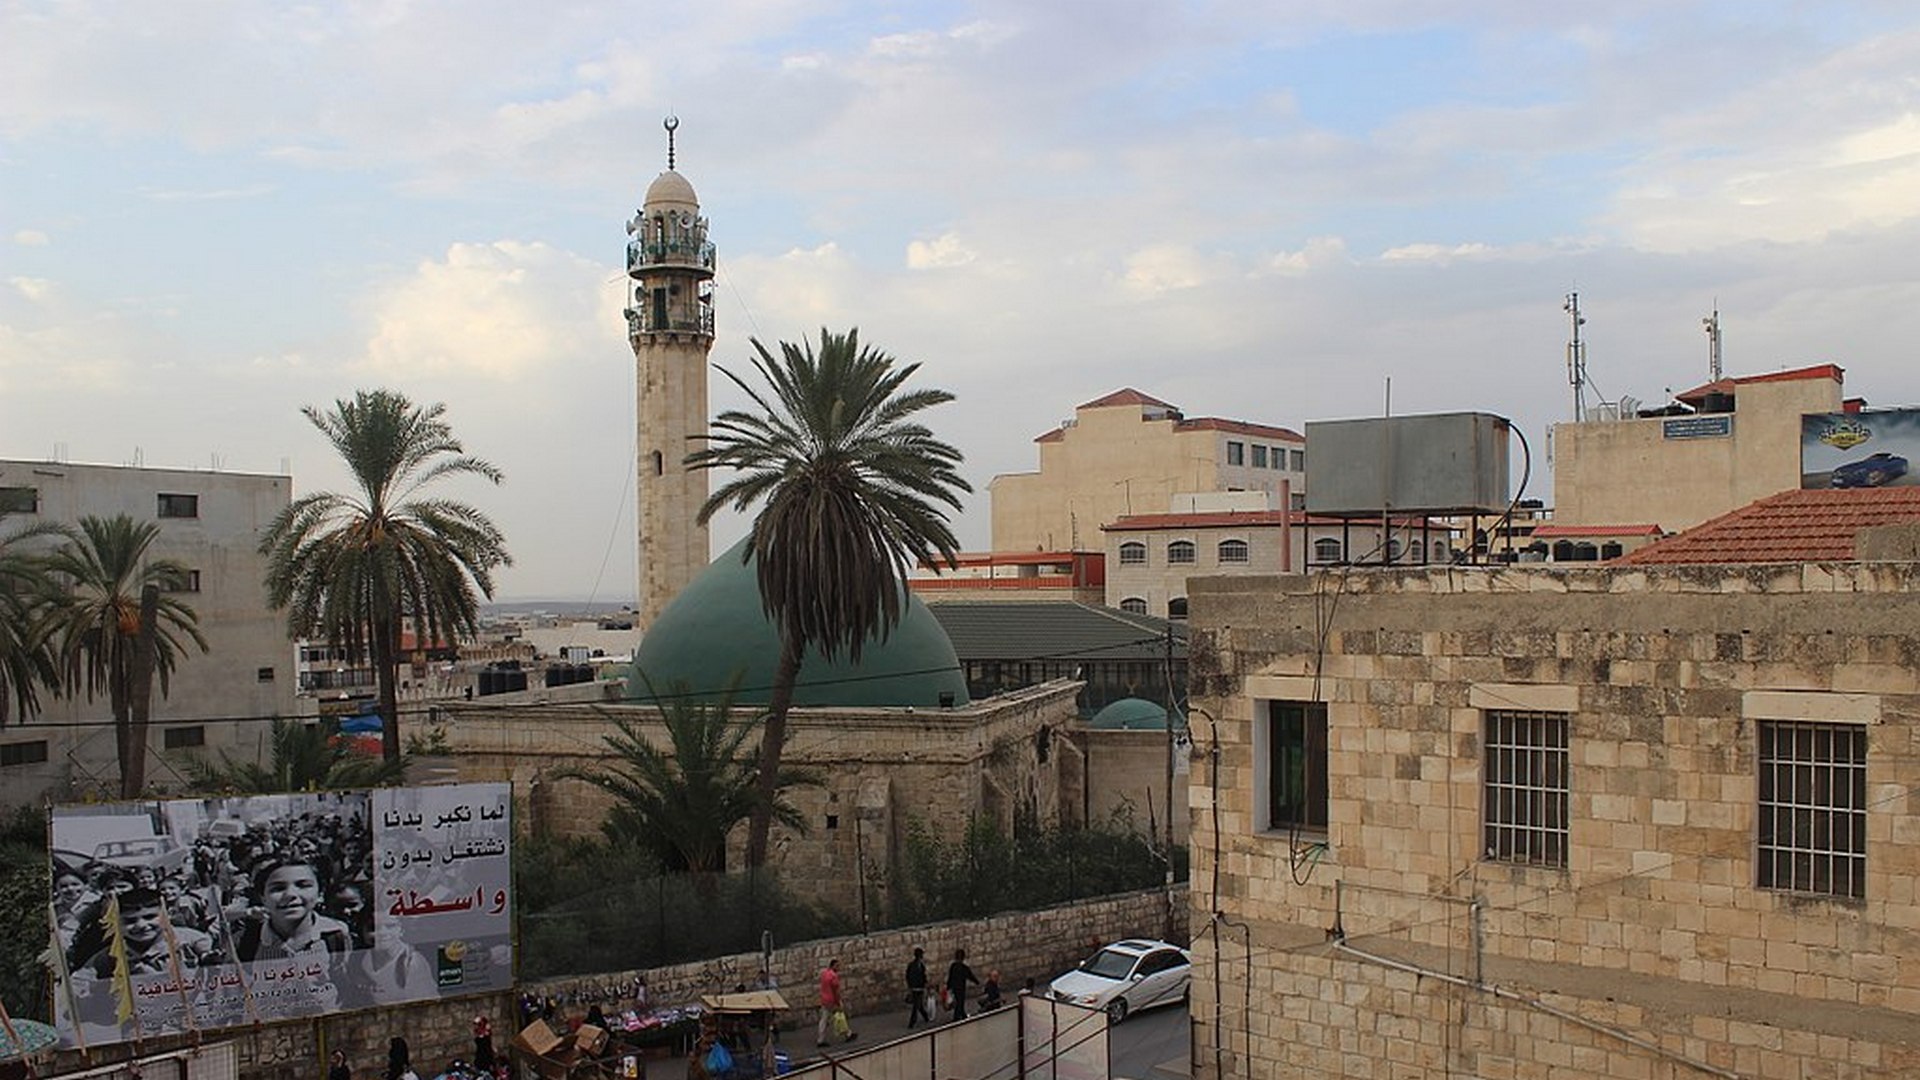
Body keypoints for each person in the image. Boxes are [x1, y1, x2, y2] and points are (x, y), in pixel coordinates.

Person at [233, 856, 351, 961]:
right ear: (263, 898)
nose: (291, 894)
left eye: (303, 885)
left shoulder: (336, 933)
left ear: (320, 894)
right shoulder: (245, 941)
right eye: (278, 888)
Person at [814, 957, 854, 1046]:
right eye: (837, 966)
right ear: (833, 966)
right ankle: (848, 1034)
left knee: (824, 1019)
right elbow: (836, 991)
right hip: (831, 1000)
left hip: (824, 999)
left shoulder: (824, 974)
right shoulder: (833, 976)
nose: (839, 968)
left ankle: (820, 1039)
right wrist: (838, 1002)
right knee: (840, 1017)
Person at [945, 948, 979, 1022]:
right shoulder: (964, 967)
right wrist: (977, 982)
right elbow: (970, 976)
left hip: (954, 987)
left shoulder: (953, 966)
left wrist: (948, 987)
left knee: (958, 1001)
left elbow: (950, 977)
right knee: (960, 1002)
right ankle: (957, 1017)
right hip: (961, 987)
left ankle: (962, 1014)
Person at [903, 947, 930, 1028]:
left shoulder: (913, 965)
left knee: (918, 1004)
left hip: (916, 987)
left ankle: (925, 1017)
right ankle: (912, 1023)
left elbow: (908, 976)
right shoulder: (919, 965)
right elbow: (923, 976)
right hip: (917, 987)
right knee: (916, 1005)